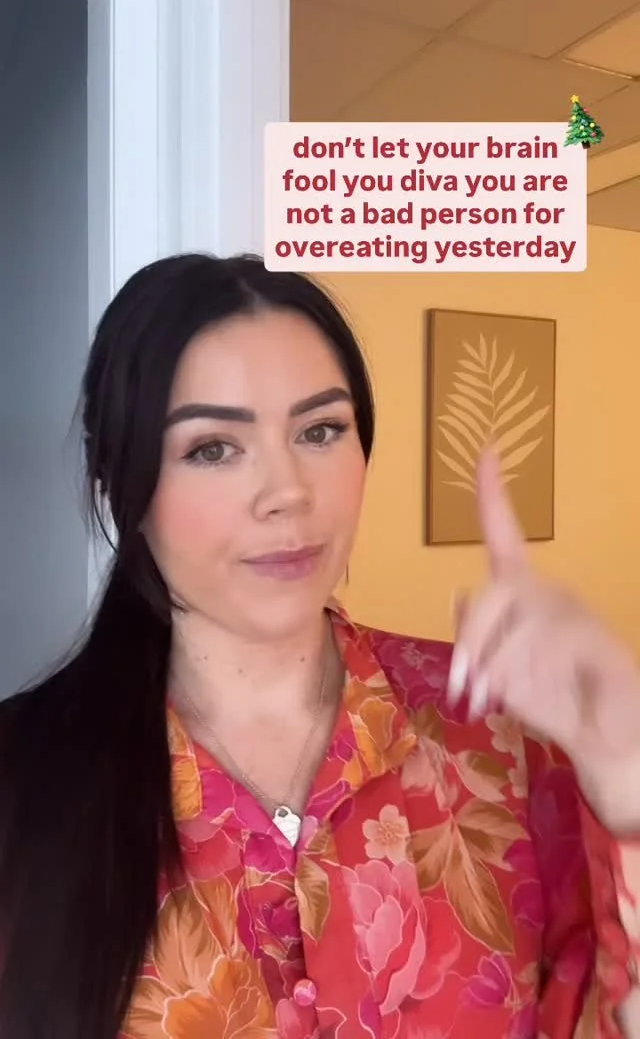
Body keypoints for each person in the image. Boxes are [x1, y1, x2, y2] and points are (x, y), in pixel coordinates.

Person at [0, 252, 639, 1039]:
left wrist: (626, 772)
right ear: (118, 479)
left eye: (321, 430)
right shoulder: (23, 779)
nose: (288, 493)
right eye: (213, 447)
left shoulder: (505, 731)